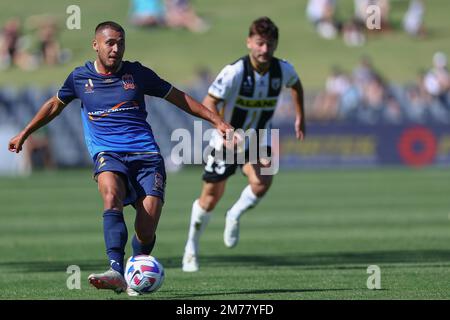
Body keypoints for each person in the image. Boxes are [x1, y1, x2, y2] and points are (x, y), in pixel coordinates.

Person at [8, 21, 232, 295]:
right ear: (96, 45)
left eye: (120, 43)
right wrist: (25, 132)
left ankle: (134, 270)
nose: (116, 49)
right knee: (110, 194)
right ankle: (116, 267)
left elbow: (178, 98)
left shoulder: (137, 74)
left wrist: (216, 121)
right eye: (110, 43)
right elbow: (55, 104)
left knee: (146, 229)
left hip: (146, 156)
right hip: (108, 153)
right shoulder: (80, 78)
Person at [181, 17, 305, 272]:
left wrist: (300, 115)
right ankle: (191, 247)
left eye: (270, 44)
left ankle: (234, 215)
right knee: (209, 200)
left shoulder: (283, 70)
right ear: (249, 42)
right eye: (259, 43)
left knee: (262, 181)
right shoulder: (235, 71)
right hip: (226, 142)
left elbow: (296, 85)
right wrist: (222, 128)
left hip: (258, 139)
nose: (264, 50)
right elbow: (209, 101)